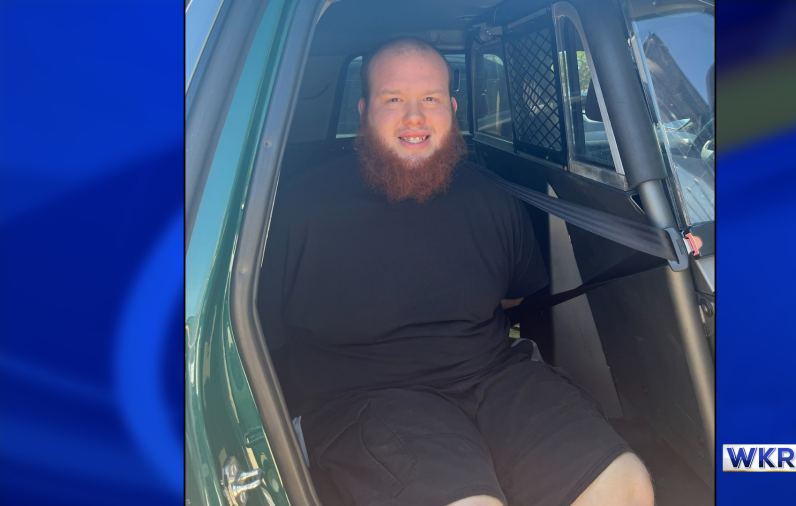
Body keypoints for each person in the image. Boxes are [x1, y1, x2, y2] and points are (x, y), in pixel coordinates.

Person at [258, 36, 654, 506]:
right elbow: (261, 338)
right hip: (363, 395)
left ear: (452, 107)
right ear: (363, 111)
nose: (414, 117)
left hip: (495, 376)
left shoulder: (490, 194)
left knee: (625, 485)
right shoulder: (293, 210)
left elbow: (513, 298)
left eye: (429, 98)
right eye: (393, 100)